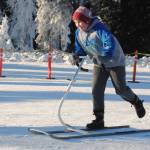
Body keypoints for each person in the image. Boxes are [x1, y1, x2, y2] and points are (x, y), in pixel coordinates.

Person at [71, 6, 146, 130]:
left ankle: (136, 102)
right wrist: (77, 55)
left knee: (121, 90)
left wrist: (106, 55)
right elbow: (80, 47)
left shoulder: (100, 28)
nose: (78, 25)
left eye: (80, 21)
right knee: (96, 90)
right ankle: (98, 119)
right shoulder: (78, 33)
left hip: (114, 61)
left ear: (87, 20)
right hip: (99, 63)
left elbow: (109, 42)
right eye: (76, 22)